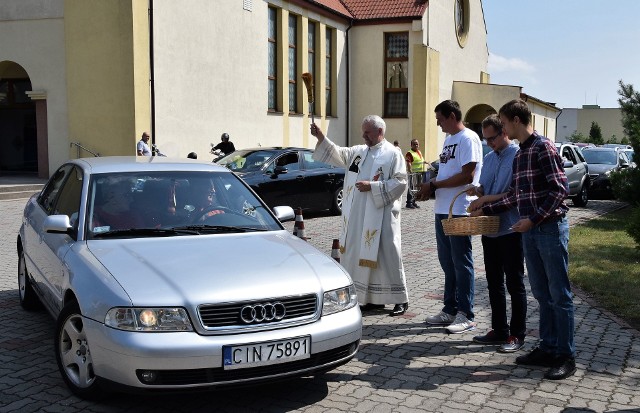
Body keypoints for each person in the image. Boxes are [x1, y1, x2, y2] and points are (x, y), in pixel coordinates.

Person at [471, 99, 575, 380]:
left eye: (503, 123)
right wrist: (483, 208)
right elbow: (514, 196)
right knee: (542, 294)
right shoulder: (521, 155)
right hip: (529, 230)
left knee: (559, 296)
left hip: (549, 229)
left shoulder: (544, 147)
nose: (502, 128)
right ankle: (547, 347)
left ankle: (565, 355)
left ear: (516, 121)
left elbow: (559, 190)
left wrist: (533, 219)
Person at [310, 115, 409, 316]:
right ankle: (371, 299)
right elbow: (337, 153)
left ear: (380, 132)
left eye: (367, 132)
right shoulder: (358, 152)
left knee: (388, 255)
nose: (363, 136)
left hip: (381, 217)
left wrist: (372, 187)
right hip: (357, 218)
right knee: (359, 257)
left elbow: (400, 182)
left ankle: (400, 299)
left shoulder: (393, 154)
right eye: (363, 132)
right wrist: (320, 135)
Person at [416, 99, 482, 334]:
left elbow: (468, 175)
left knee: (462, 263)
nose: (438, 123)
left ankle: (467, 314)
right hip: (443, 209)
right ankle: (450, 309)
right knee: (447, 263)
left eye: (440, 119)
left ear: (453, 116)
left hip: (460, 208)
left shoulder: (468, 138)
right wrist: (432, 189)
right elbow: (447, 172)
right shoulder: (449, 140)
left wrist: (433, 184)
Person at [467, 114, 526, 353]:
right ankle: (499, 329)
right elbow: (486, 187)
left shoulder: (518, 156)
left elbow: (513, 195)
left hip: (512, 229)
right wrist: (477, 189)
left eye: (492, 138)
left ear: (504, 132)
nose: (488, 143)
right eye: (486, 139)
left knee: (515, 283)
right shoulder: (489, 158)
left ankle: (517, 334)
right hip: (490, 229)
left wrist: (485, 199)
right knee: (493, 282)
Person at [405, 139, 426, 209]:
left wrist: (425, 162)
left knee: (417, 188)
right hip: (413, 173)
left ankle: (414, 202)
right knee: (411, 188)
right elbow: (408, 163)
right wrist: (410, 172)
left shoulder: (418, 152)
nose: (416, 145)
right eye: (414, 144)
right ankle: (409, 202)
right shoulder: (409, 153)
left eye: (417, 144)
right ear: (411, 145)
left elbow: (421, 160)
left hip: (419, 172)